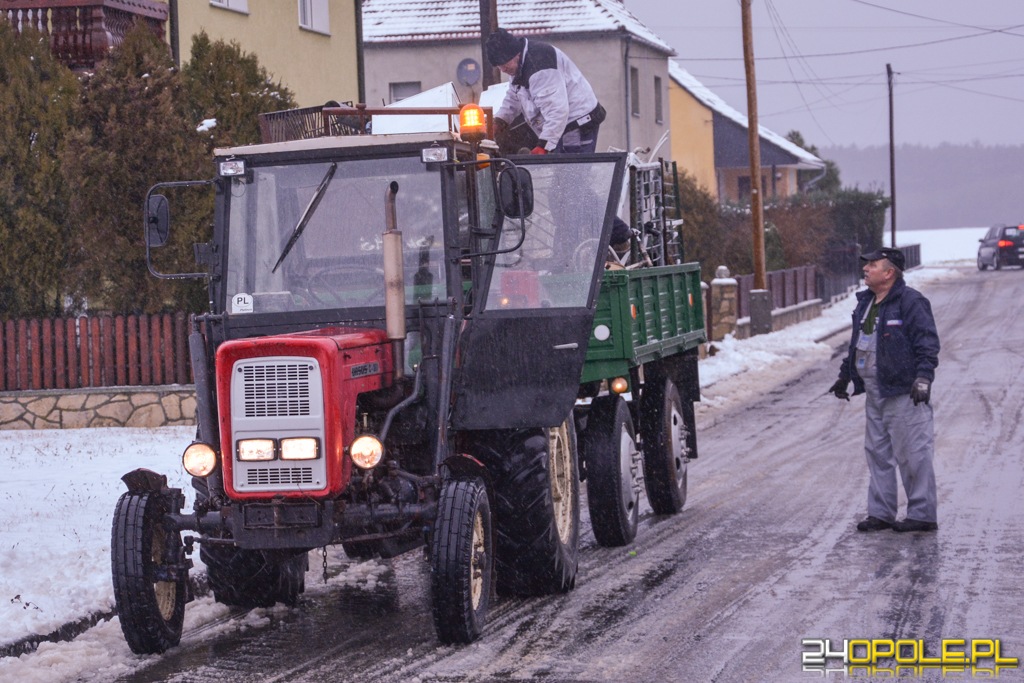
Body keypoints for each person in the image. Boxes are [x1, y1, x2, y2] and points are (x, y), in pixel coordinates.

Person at [828, 247, 941, 533]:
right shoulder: (866, 302)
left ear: (889, 272)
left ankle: (922, 514)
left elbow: (926, 343)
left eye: (873, 265)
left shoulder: (910, 302)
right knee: (877, 453)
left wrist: (923, 378)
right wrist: (845, 376)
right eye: (866, 265)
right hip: (875, 390)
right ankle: (881, 513)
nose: (865, 269)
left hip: (903, 390)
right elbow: (857, 343)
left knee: (913, 453)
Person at [485, 28, 605, 155]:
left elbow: (557, 111)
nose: (502, 70)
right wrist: (499, 121)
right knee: (563, 170)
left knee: (574, 170)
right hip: (562, 124)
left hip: (577, 123)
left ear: (515, 54)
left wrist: (543, 146)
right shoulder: (519, 65)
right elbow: (514, 97)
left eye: (504, 64)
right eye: (499, 66)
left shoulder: (540, 68)